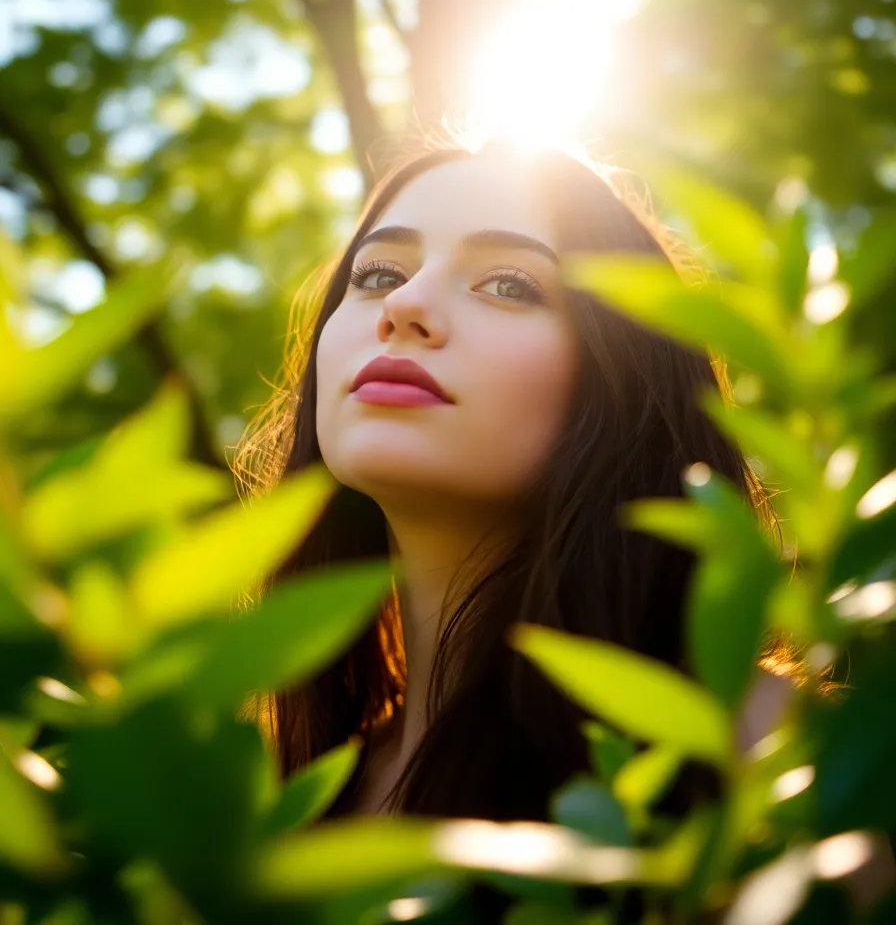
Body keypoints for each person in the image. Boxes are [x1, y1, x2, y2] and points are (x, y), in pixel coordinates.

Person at [235, 139, 791, 823]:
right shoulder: (296, 802)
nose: (404, 304)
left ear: (618, 376)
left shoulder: (751, 747)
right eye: (377, 274)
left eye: (508, 285)